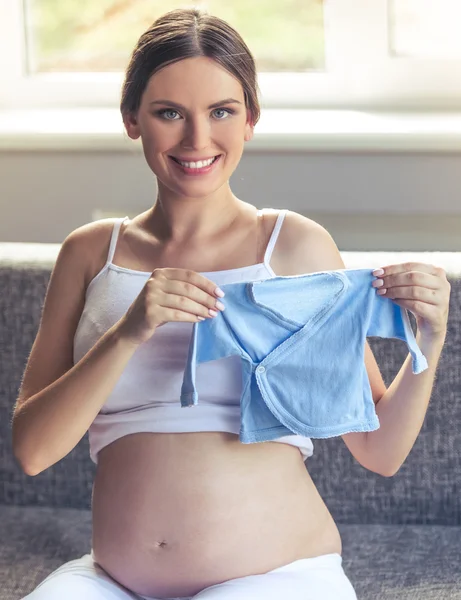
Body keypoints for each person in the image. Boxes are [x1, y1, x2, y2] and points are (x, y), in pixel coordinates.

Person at [12, 7, 450, 600]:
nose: (198, 139)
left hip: (274, 576)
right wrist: (129, 331)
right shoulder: (91, 253)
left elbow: (379, 450)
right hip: (111, 580)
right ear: (131, 119)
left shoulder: (294, 246)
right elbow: (34, 450)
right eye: (170, 113)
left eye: (222, 111)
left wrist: (429, 340)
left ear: (251, 120)